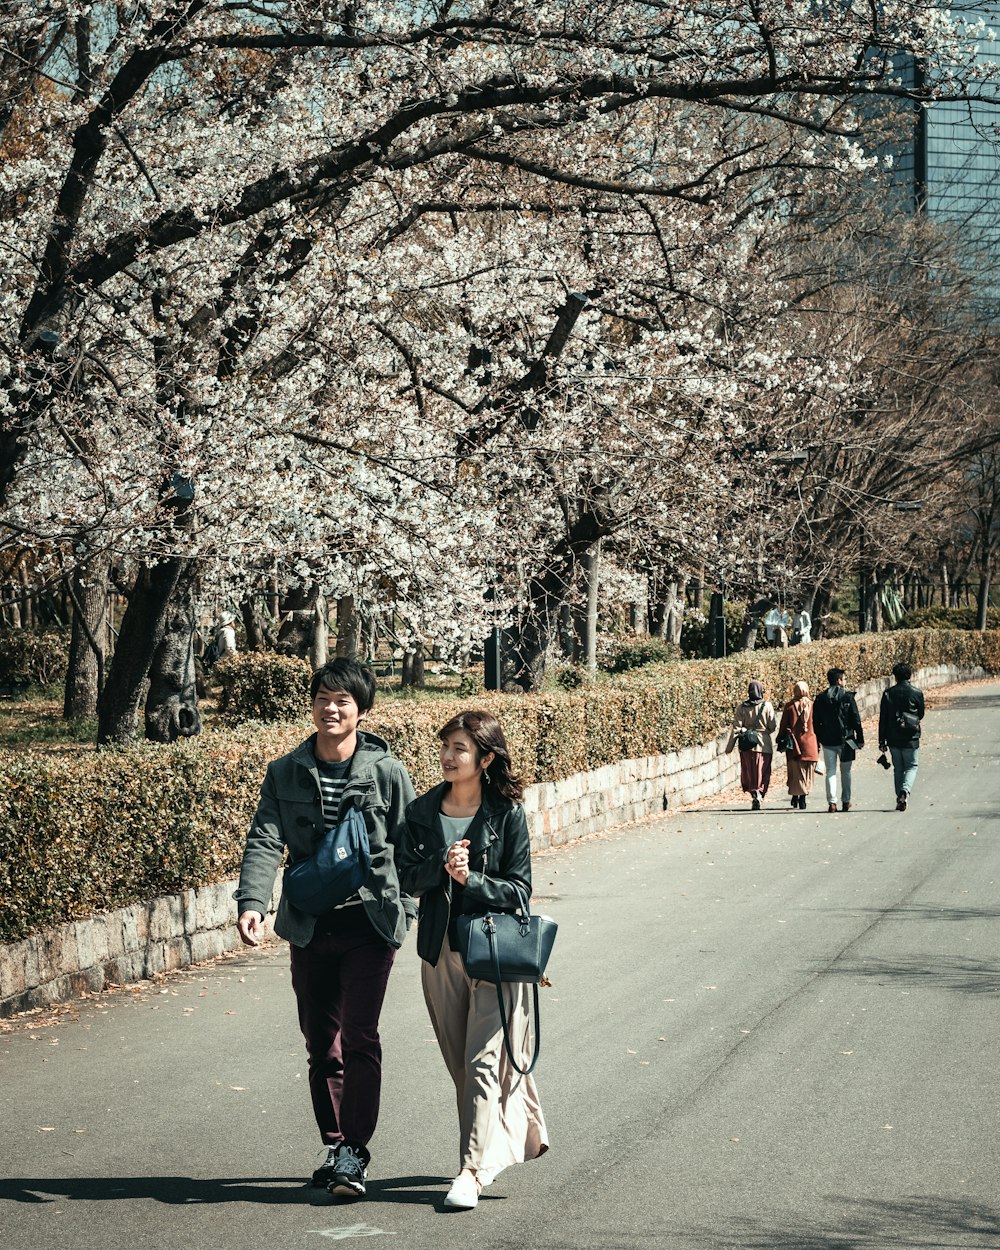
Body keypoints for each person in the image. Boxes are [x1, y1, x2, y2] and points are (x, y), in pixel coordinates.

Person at [233, 658, 416, 1200]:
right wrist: (253, 901)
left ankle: (354, 1151)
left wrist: (403, 912)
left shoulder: (387, 772)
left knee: (361, 1036)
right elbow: (265, 839)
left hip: (368, 921)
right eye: (322, 698)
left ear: (361, 710)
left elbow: (409, 845)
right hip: (310, 925)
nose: (330, 709)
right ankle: (335, 1142)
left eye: (343, 701)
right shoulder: (284, 771)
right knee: (321, 1044)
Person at [397, 710, 549, 1211]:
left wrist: (473, 882)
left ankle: (470, 1171)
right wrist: (440, 866)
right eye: (445, 746)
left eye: (460, 748)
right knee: (462, 1065)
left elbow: (520, 891)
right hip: (439, 951)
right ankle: (513, 1128)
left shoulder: (505, 815)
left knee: (484, 1062)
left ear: (485, 759)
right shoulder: (422, 813)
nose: (448, 755)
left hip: (495, 952)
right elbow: (403, 877)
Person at [812, 667, 864, 812]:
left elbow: (815, 722)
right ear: (839, 680)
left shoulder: (821, 698)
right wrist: (859, 738)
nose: (845, 681)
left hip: (828, 740)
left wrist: (820, 738)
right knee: (846, 771)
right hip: (846, 740)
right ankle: (846, 801)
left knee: (831, 771)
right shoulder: (848, 697)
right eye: (844, 679)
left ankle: (832, 802)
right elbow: (856, 719)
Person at [878, 662, 925, 811]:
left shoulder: (887, 693)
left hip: (892, 737)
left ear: (895, 676)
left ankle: (899, 796)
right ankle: (905, 791)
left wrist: (881, 740)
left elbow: (883, 719)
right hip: (911, 736)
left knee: (898, 768)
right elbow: (921, 714)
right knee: (912, 766)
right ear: (909, 675)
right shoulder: (916, 692)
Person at [726, 680, 778, 810]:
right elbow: (772, 726)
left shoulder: (742, 707)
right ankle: (759, 792)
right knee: (763, 770)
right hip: (763, 744)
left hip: (746, 745)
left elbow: (736, 727)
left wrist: (729, 747)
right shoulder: (767, 706)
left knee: (749, 770)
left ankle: (753, 791)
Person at [777, 680, 819, 809]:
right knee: (807, 772)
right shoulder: (813, 705)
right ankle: (803, 797)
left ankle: (796, 796)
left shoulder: (789, 707)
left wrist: (780, 738)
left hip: (794, 745)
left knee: (796, 773)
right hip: (811, 744)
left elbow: (783, 725)